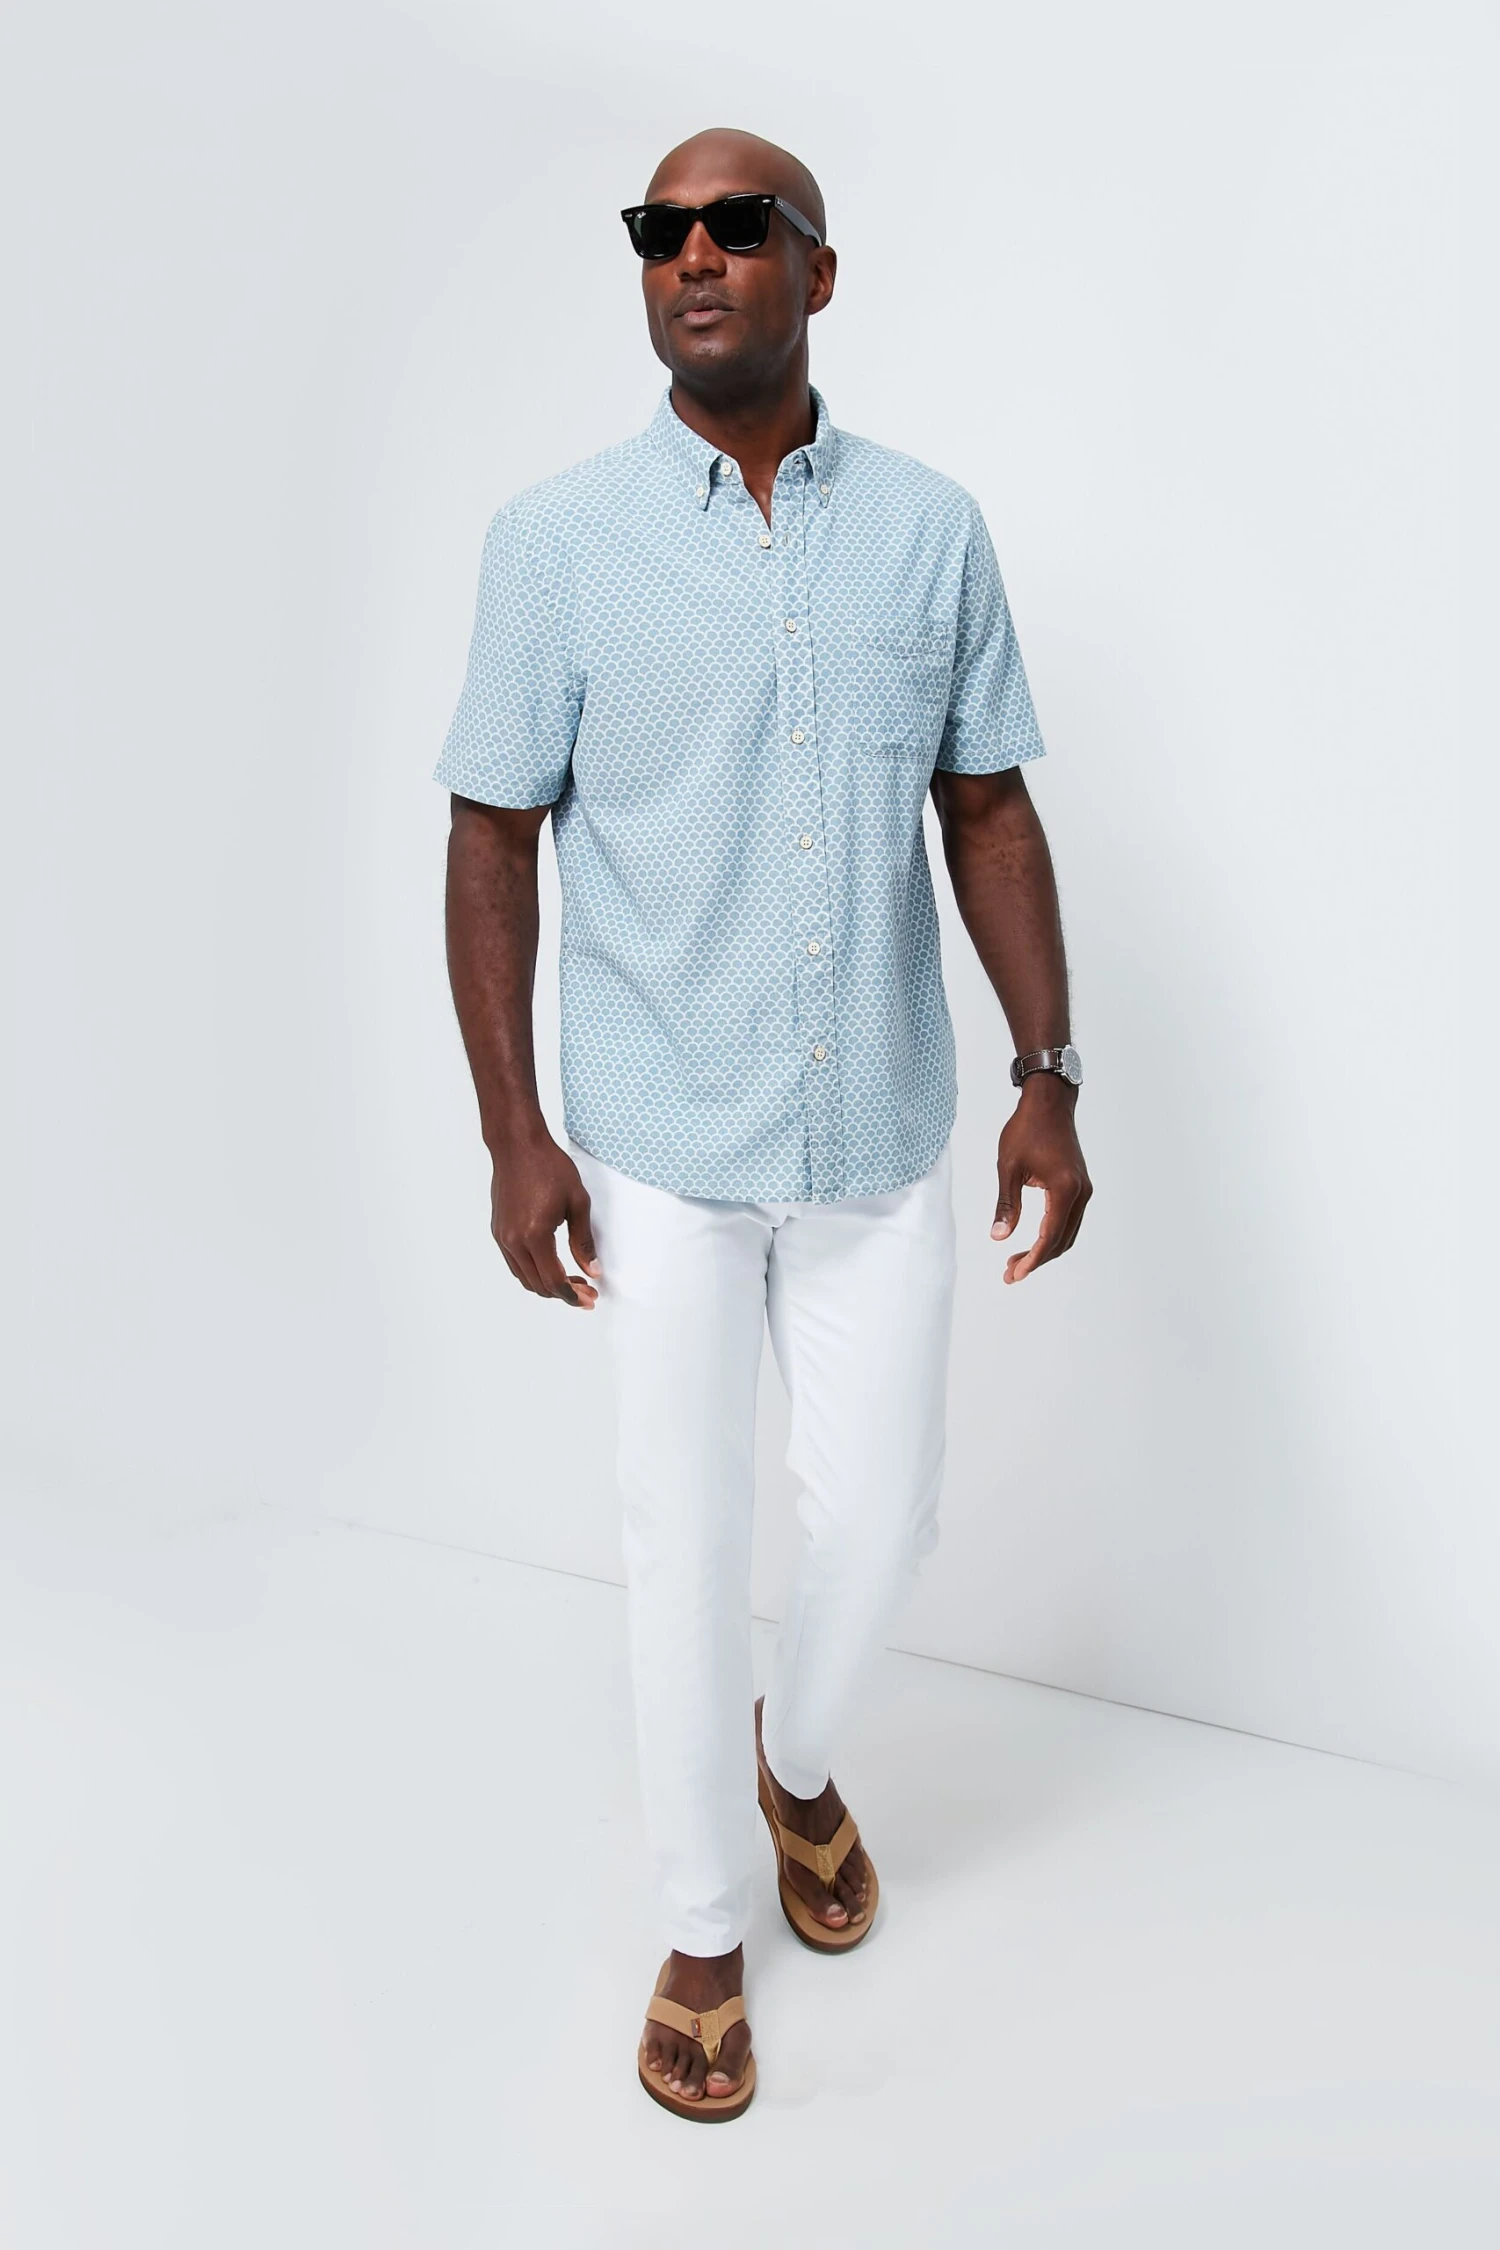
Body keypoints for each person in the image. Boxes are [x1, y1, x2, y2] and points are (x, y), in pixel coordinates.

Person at [436, 127, 1091, 2122]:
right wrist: (514, 1131)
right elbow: (490, 837)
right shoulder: (555, 544)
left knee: (884, 1519)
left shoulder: (931, 533)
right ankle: (706, 1924)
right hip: (658, 1138)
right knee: (686, 1538)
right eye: (663, 232)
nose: (695, 256)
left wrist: (1047, 1075)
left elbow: (988, 809)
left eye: (739, 226)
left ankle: (793, 1763)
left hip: (879, 1122)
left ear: (819, 269)